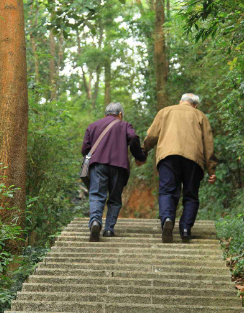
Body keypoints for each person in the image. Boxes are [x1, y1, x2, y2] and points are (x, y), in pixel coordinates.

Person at [143, 93, 217, 243]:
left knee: (167, 191)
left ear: (180, 102)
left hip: (168, 156)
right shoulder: (200, 116)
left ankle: (167, 219)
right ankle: (185, 229)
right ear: (195, 105)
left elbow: (151, 135)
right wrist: (211, 168)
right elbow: (208, 144)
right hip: (194, 159)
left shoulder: (165, 111)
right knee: (191, 195)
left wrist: (144, 150)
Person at [81, 102, 147, 242]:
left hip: (98, 165)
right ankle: (109, 229)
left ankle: (95, 222)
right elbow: (134, 138)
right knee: (115, 199)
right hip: (119, 165)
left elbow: (84, 150)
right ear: (120, 114)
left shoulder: (93, 126)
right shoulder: (124, 125)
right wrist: (139, 156)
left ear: (105, 114)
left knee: (97, 195)